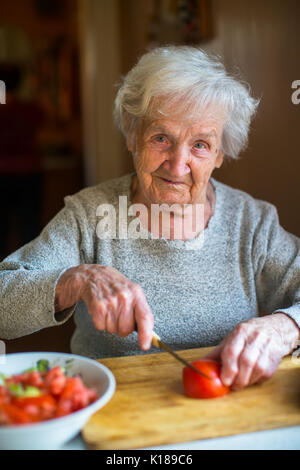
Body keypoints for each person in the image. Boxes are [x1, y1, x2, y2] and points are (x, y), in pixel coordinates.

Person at [0, 46, 299, 392]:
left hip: (225, 417)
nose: (177, 164)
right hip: (117, 420)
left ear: (220, 154)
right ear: (132, 136)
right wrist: (77, 280)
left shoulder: (253, 222)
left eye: (200, 144)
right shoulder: (88, 216)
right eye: (160, 138)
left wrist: (286, 326)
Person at [0, 63, 44, 260]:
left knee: (1, 228)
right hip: (29, 172)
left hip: (3, 174)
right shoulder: (30, 108)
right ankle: (30, 271)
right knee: (30, 228)